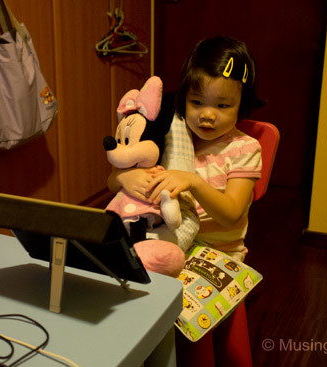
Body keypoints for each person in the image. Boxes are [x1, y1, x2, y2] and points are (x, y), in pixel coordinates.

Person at [108, 36, 263, 261]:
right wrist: (125, 177)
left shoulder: (245, 149)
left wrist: (194, 182)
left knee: (172, 295)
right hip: (162, 239)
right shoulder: (172, 135)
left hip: (218, 254)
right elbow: (112, 182)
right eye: (197, 102)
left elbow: (231, 215)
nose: (207, 115)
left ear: (242, 104)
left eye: (222, 105)